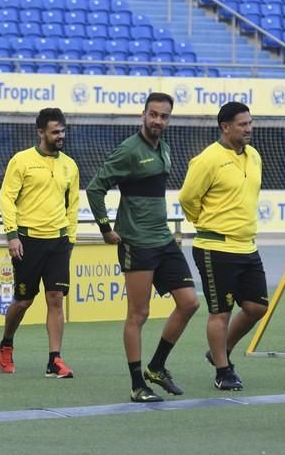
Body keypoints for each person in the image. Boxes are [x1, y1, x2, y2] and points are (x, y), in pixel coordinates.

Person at [86, 93, 199, 402]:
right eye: (153, 115)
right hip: (136, 242)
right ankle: (138, 385)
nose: (158, 121)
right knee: (139, 313)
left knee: (190, 303)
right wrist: (106, 229)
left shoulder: (164, 148)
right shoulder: (128, 150)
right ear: (143, 115)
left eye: (164, 116)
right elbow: (95, 188)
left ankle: (157, 367)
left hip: (163, 239)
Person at [179, 102, 269, 391]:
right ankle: (223, 370)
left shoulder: (254, 156)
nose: (249, 129)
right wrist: (203, 222)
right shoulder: (208, 159)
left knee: (257, 307)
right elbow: (187, 198)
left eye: (250, 123)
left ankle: (220, 350)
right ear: (225, 127)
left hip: (247, 247)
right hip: (215, 247)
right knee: (220, 312)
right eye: (242, 124)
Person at [0, 108, 79, 378]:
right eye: (55, 131)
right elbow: (7, 198)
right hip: (28, 241)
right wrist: (12, 235)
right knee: (22, 302)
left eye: (63, 131)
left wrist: (70, 237)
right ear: (41, 132)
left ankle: (54, 359)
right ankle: (7, 343)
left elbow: (73, 205)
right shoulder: (21, 161)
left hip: (58, 242)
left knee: (55, 299)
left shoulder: (70, 165)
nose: (61, 136)